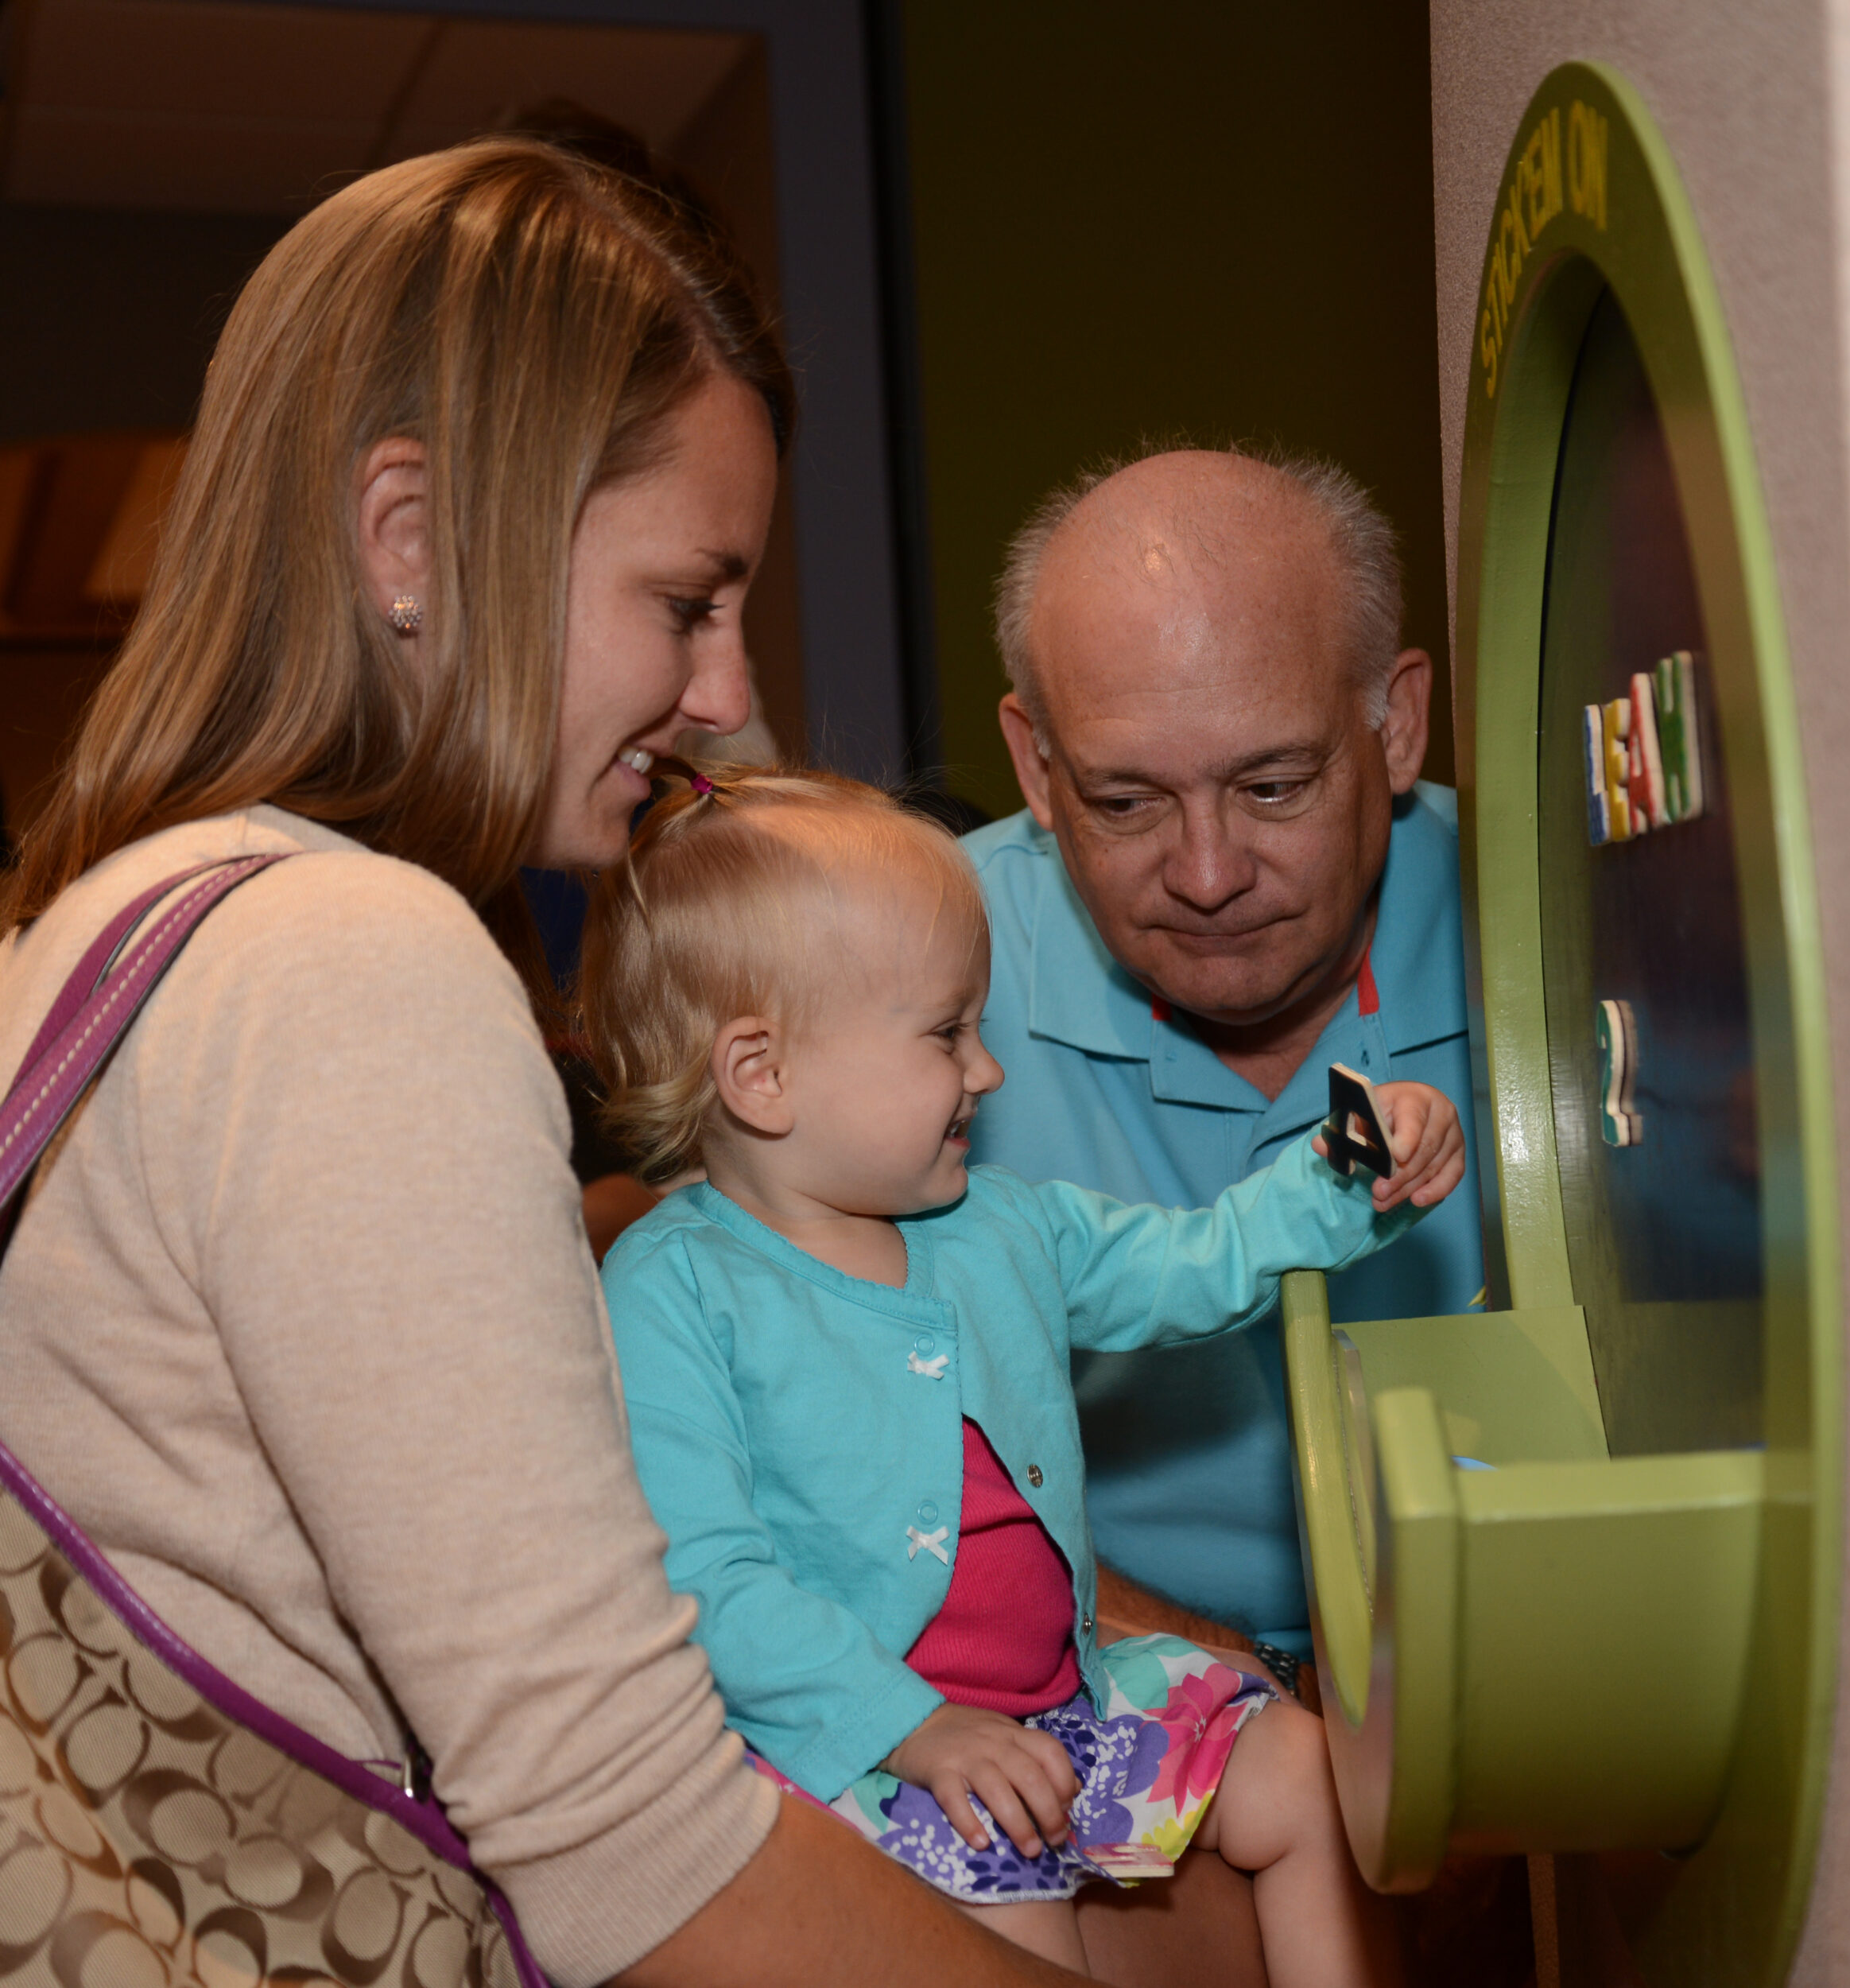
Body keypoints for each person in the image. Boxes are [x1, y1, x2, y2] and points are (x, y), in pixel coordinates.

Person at [0, 138, 1095, 1988]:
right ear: (411, 541)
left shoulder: (104, 922)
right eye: (686, 599)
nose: (730, 691)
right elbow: (634, 1848)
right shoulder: (353, 959)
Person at [580, 769, 1462, 1982]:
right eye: (948, 1034)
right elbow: (705, 1580)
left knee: (1306, 1773)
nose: (988, 1073)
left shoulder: (1000, 1225)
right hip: (873, 1744)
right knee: (1023, 1939)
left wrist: (1346, 1176)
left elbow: (1193, 1264)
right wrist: (918, 1729)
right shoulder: (673, 1287)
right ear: (760, 1074)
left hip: (1074, 1694)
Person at [965, 445, 1486, 1684]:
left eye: (1272, 785)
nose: (1208, 875)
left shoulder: (1565, 935)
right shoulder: (906, 978)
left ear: (1396, 724)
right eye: (1127, 802)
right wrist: (1223, 1686)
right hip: (1097, 1675)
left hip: (1520, 1671)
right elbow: (840, 1465)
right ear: (1038, 767)